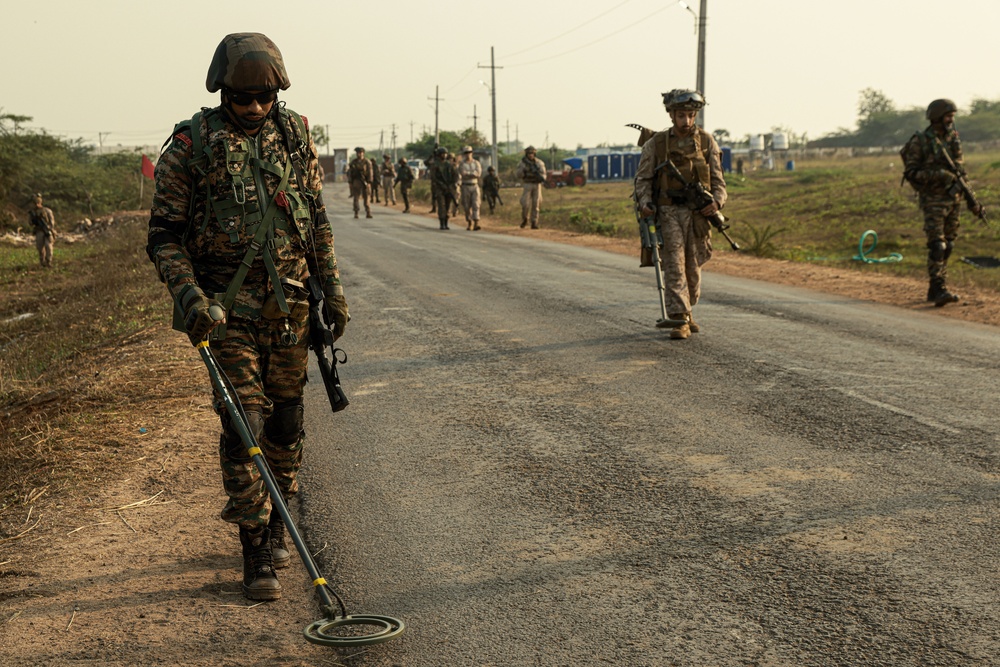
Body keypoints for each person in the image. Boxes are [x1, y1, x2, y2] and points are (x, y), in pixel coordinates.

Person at [146, 33, 349, 601]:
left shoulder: (295, 135)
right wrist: (187, 296)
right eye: (243, 98)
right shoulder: (192, 145)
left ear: (277, 91)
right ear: (222, 91)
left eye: (265, 97)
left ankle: (279, 518)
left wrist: (332, 290)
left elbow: (318, 219)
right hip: (223, 311)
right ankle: (254, 546)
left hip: (290, 309)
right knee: (245, 425)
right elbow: (162, 235)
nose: (255, 108)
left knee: (286, 424)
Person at [634, 89, 727, 340]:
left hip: (698, 215)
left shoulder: (707, 142)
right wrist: (646, 202)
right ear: (671, 115)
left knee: (694, 267)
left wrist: (717, 203)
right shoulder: (657, 144)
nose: (685, 121)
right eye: (680, 115)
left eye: (690, 115)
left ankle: (688, 309)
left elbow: (718, 181)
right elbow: (642, 179)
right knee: (674, 264)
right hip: (668, 212)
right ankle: (680, 318)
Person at [901, 99, 984, 307]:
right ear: (937, 117)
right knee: (937, 245)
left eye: (953, 117)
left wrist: (972, 201)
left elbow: (960, 174)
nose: (951, 120)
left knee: (949, 244)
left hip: (953, 200)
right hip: (933, 200)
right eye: (948, 116)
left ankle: (936, 286)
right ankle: (938, 288)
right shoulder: (920, 141)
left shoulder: (953, 139)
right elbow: (911, 173)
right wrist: (939, 175)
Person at [515, 146, 546, 228]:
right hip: (527, 184)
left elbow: (543, 174)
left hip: (537, 184)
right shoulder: (522, 163)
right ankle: (525, 219)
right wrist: (523, 170)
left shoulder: (539, 163)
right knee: (525, 203)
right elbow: (518, 174)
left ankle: (534, 222)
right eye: (529, 153)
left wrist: (541, 178)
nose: (530, 155)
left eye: (532, 153)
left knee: (536, 204)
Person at [429, 146, 457, 230]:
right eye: (442, 154)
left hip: (449, 188)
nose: (444, 155)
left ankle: (446, 222)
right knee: (441, 205)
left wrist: (451, 185)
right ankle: (442, 223)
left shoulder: (449, 165)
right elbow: (434, 177)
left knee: (448, 205)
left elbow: (454, 176)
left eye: (445, 154)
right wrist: (442, 185)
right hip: (439, 188)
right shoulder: (435, 165)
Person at [457, 146, 482, 230]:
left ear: (472, 153)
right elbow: (463, 173)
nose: (468, 154)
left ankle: (476, 222)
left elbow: (478, 173)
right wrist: (472, 174)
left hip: (474, 185)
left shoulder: (476, 163)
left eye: (469, 152)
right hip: (465, 186)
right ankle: (469, 222)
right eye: (466, 153)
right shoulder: (462, 164)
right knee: (467, 205)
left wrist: (469, 174)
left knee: (476, 204)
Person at [28, 193, 56, 267]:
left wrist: (49, 228)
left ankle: (48, 261)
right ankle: (42, 262)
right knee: (40, 248)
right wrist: (34, 220)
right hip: (39, 231)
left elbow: (52, 222)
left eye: (38, 202)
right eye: (35, 203)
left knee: (48, 246)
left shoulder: (47, 211)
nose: (37, 204)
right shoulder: (32, 213)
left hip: (47, 230)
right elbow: (30, 223)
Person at [348, 147, 373, 219]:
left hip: (365, 181)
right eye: (358, 153)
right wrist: (350, 182)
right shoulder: (353, 162)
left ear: (363, 153)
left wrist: (369, 182)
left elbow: (370, 173)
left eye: (360, 152)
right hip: (356, 181)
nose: (359, 154)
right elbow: (350, 173)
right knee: (356, 198)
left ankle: (368, 212)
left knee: (366, 197)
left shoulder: (367, 162)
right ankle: (356, 212)